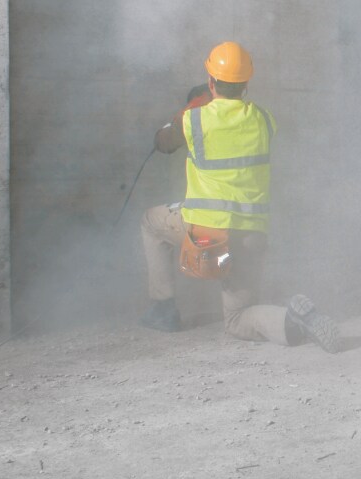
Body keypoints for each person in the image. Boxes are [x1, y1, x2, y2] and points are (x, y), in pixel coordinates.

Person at [139, 41, 340, 352]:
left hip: (205, 238)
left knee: (151, 223)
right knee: (238, 318)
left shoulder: (193, 119)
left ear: (210, 81)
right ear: (247, 84)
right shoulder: (263, 119)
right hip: (250, 236)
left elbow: (163, 143)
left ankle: (163, 310)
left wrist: (189, 110)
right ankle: (294, 321)